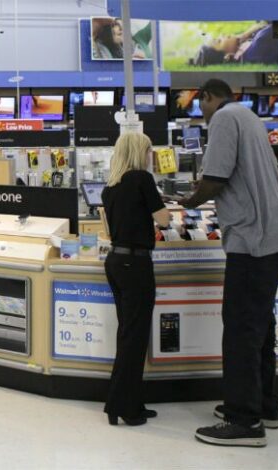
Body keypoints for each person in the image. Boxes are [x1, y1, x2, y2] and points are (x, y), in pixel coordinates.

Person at [178, 79, 278, 447]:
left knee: (241, 327)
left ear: (207, 97)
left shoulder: (223, 118)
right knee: (260, 324)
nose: (201, 112)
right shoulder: (248, 115)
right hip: (274, 232)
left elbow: (215, 178)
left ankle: (244, 421)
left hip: (253, 237)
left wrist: (189, 201)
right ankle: (264, 405)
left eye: (200, 104)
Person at [101, 132, 170, 426]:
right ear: (138, 152)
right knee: (135, 337)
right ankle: (124, 407)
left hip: (116, 262)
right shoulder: (141, 179)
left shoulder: (110, 187)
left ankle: (128, 402)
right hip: (136, 265)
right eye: (147, 150)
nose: (149, 155)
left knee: (127, 334)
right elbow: (164, 219)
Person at [190, 22, 278, 66]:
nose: (222, 35)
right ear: (227, 56)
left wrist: (245, 34)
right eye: (219, 41)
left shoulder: (251, 46)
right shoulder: (260, 42)